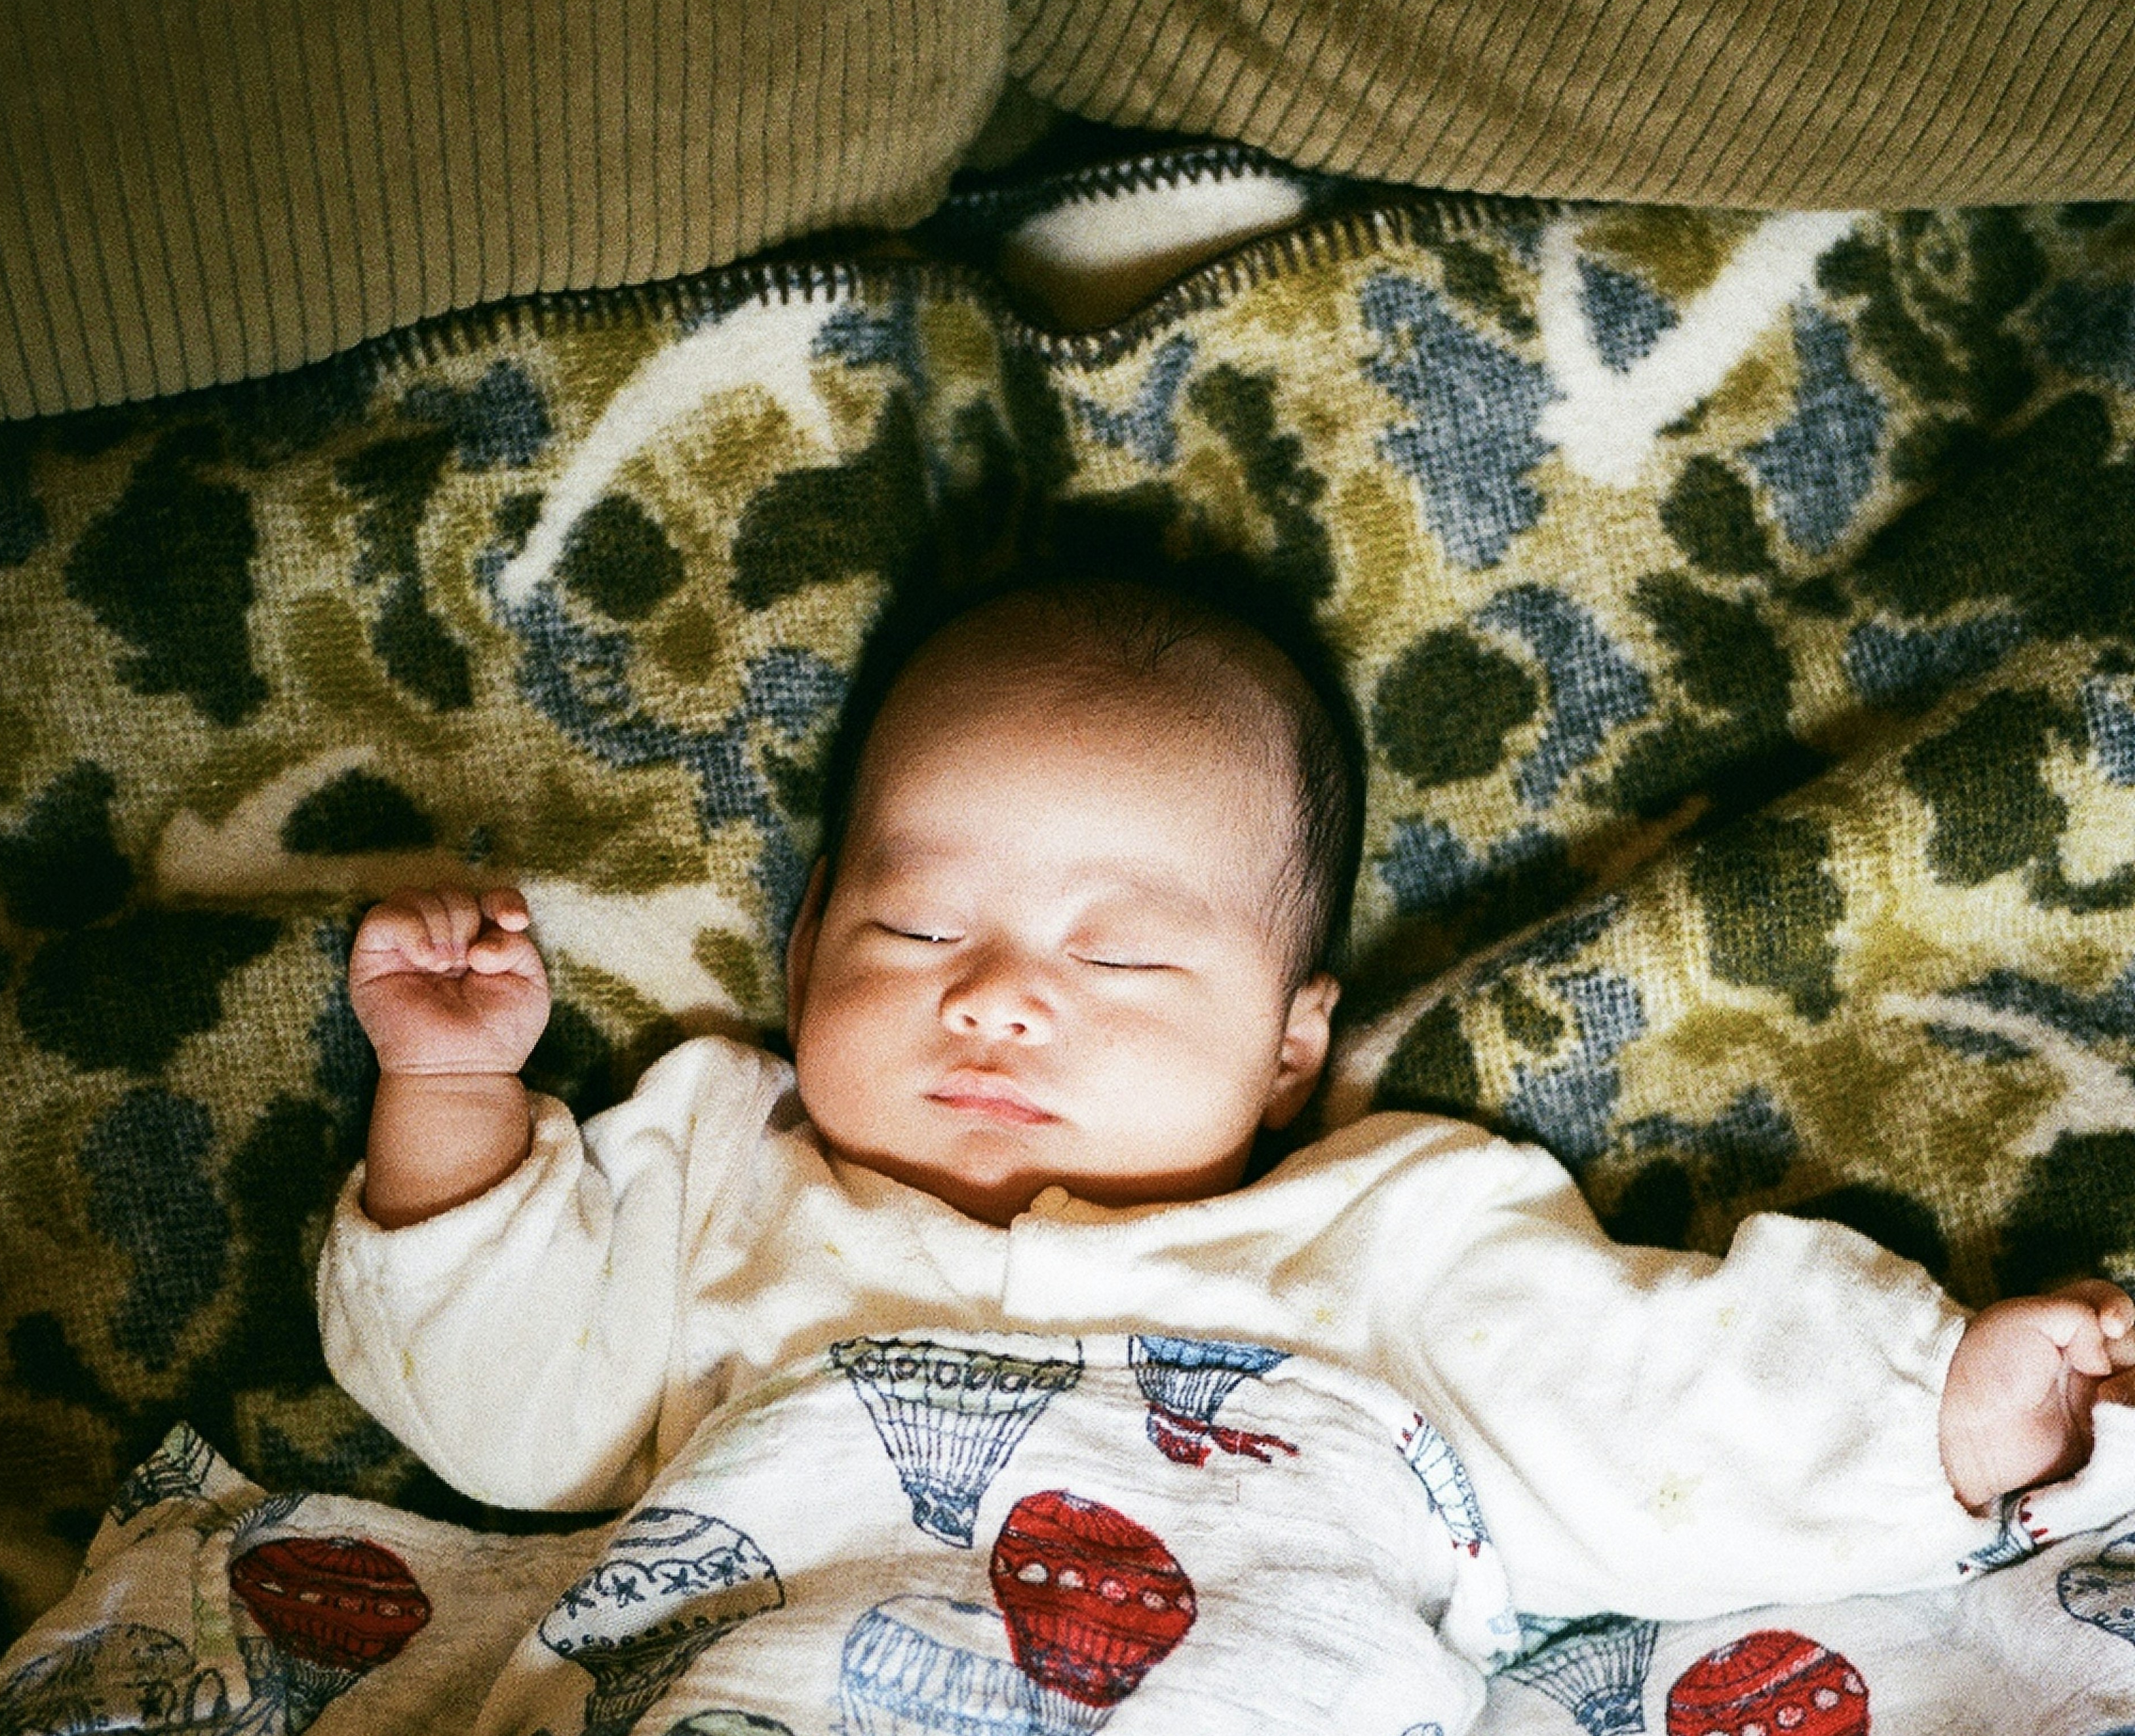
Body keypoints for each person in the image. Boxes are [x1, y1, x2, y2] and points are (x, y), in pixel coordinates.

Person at [318, 575, 2135, 1611]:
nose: (1006, 996)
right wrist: (456, 1091)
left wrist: (1946, 1416)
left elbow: (1650, 1414)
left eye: (1121, 961)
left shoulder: (1379, 1240)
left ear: (1288, 1040)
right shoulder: (724, 1175)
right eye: (918, 923)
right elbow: (504, 1411)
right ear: (799, 960)